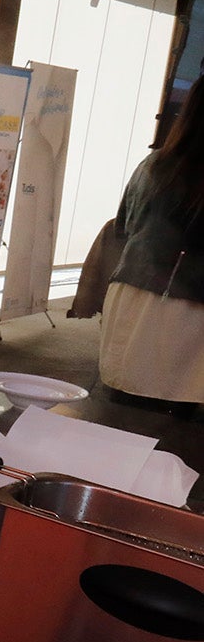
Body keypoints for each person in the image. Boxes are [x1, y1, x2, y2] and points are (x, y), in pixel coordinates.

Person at [99, 73, 204, 411]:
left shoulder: (153, 163)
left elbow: (123, 227)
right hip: (186, 313)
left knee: (123, 414)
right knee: (175, 428)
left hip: (131, 296)